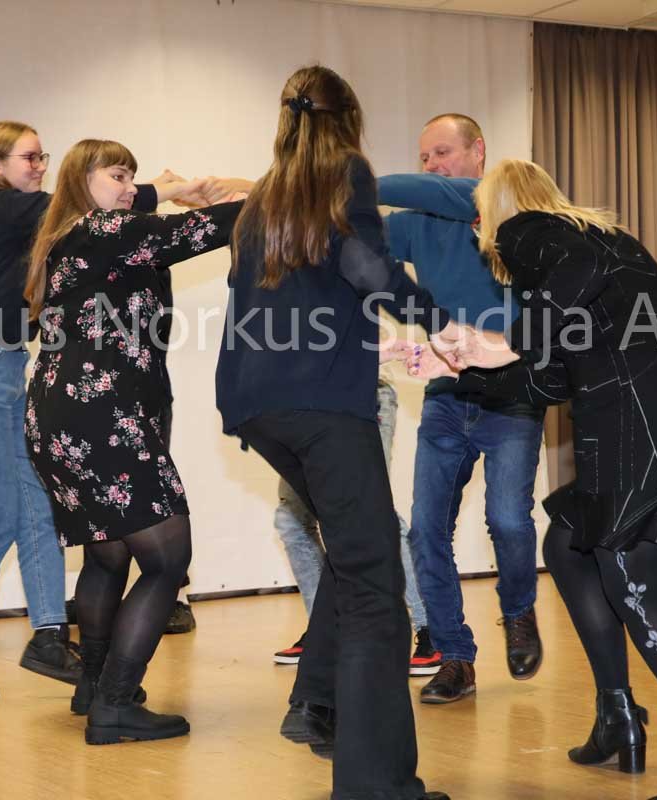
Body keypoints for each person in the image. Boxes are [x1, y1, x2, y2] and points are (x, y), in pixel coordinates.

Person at [413, 159, 657, 800]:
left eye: (479, 213)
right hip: (651, 399)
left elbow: (556, 308)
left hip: (641, 405)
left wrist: (508, 340)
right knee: (568, 543)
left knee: (632, 575)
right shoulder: (583, 246)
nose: (477, 228)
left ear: (502, 208)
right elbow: (550, 378)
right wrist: (462, 367)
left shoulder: (533, 233)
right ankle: (617, 714)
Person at [216, 65, 452, 800]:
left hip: (258, 405)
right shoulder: (344, 172)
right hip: (321, 405)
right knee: (377, 588)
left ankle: (316, 703)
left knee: (357, 562)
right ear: (349, 119)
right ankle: (377, 786)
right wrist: (437, 319)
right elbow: (366, 269)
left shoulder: (265, 194)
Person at [0, 120, 191, 699]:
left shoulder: (25, 217)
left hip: (2, 366)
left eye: (44, 156)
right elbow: (76, 207)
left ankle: (48, 634)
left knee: (40, 510)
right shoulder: (0, 207)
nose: (40, 166)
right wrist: (166, 190)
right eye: (28, 158)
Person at [24, 138, 241, 744]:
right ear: (83, 181)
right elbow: (212, 227)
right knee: (167, 559)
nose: (129, 188)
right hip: (101, 412)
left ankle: (93, 685)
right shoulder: (107, 229)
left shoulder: (66, 236)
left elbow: (146, 213)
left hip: (58, 414)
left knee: (108, 554)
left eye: (132, 177)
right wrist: (256, 191)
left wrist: (168, 190)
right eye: (117, 176)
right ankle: (116, 704)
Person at [377, 114, 545, 705]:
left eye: (443, 152)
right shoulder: (417, 224)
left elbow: (432, 193)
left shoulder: (505, 209)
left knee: (508, 520)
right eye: (425, 157)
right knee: (427, 530)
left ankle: (519, 613)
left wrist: (351, 180)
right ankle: (454, 656)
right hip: (447, 397)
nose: (432, 166)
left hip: (513, 394)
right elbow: (357, 246)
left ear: (479, 152)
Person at [270, 374, 441, 678]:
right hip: (302, 406)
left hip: (358, 396)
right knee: (292, 520)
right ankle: (326, 632)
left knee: (374, 512)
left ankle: (432, 627)